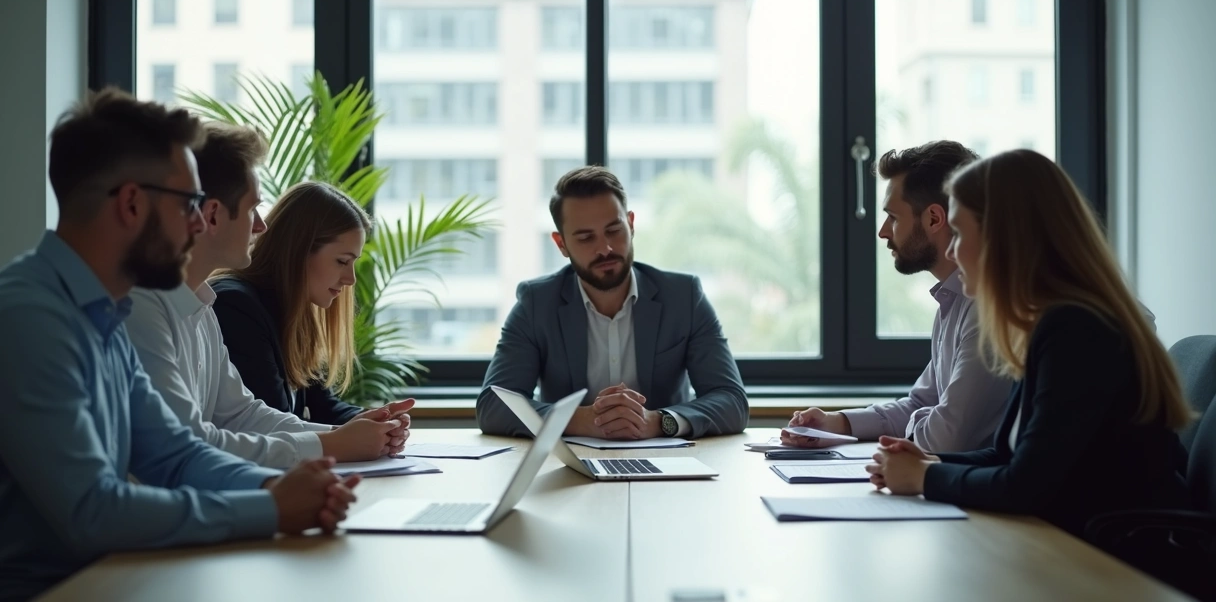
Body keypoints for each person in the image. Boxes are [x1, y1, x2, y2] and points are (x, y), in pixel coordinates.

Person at [0, 88, 358, 600]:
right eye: (190, 203)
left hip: (117, 576)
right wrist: (273, 507)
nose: (199, 222)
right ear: (131, 203)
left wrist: (276, 490)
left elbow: (175, 454)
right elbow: (91, 511)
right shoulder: (30, 317)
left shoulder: (103, 312)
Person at [866, 149, 1191, 537]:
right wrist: (931, 462)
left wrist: (925, 478)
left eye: (960, 233)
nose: (951, 251)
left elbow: (1025, 486)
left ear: (1002, 239)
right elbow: (1010, 455)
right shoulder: (1049, 322)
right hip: (1076, 540)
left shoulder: (1077, 329)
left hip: (1119, 558)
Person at [126, 122, 409, 468]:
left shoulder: (202, 309)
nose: (261, 226)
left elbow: (244, 415)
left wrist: (346, 436)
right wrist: (333, 444)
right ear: (213, 214)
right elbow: (191, 445)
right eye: (251, 210)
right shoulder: (143, 307)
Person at [477, 165, 748, 439]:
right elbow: (493, 404)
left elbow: (732, 401)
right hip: (570, 466)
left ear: (630, 224)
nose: (605, 248)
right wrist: (581, 420)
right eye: (585, 238)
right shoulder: (536, 304)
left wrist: (658, 421)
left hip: (668, 463)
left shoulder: (683, 297)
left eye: (614, 230)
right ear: (561, 244)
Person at [785, 141, 1012, 453]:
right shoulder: (953, 300)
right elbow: (922, 402)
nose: (882, 231)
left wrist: (923, 419)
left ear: (934, 219)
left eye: (893, 216)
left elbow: (946, 438)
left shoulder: (984, 308)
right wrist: (837, 422)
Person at [210, 182, 408, 426]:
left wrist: (376, 421)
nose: (351, 279)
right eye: (341, 261)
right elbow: (274, 426)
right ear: (298, 251)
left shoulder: (292, 311)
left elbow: (322, 406)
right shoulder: (237, 307)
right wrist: (353, 437)